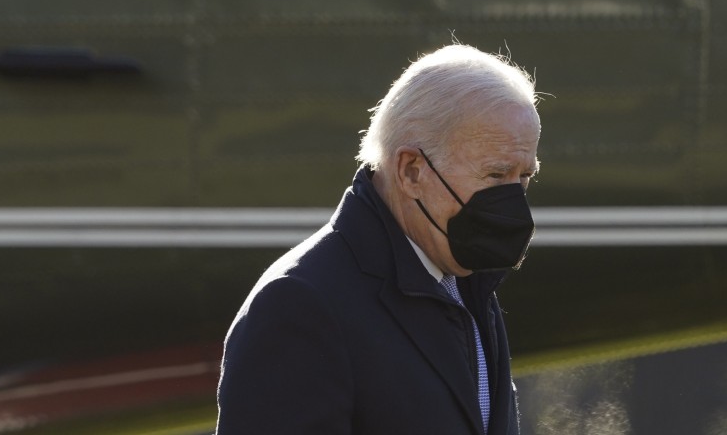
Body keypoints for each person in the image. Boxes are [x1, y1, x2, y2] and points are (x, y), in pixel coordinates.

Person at [215, 44, 541, 435]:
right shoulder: (299, 306)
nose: (511, 202)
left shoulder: (468, 286)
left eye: (524, 177)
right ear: (411, 171)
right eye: (495, 175)